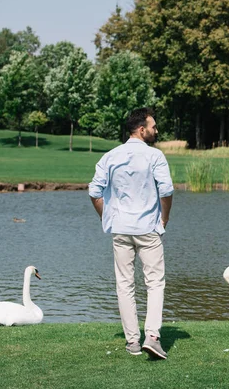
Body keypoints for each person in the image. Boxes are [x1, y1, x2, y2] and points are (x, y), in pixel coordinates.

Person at [89, 108, 173, 359]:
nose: (156, 130)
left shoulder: (110, 156)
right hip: (148, 228)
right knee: (155, 283)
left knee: (124, 285)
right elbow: (166, 191)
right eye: (153, 127)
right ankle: (153, 337)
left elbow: (94, 192)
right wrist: (164, 220)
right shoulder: (155, 156)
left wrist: (109, 218)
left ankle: (132, 342)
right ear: (141, 129)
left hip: (121, 229)